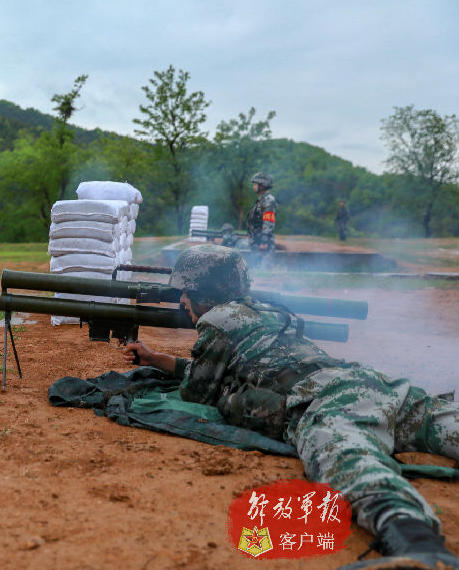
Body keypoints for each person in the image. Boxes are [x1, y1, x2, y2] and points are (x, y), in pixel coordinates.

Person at [122, 244, 459, 569]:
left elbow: (197, 391)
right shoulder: (262, 309)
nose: (182, 300)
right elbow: (210, 370)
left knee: (347, 462)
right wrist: (160, 360)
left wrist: (227, 396)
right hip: (367, 382)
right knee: (444, 423)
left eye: (185, 292)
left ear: (205, 293)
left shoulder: (218, 320)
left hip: (326, 400)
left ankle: (419, 547)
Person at [246, 172, 277, 253]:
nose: (254, 187)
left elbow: (268, 222)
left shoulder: (268, 201)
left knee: (263, 266)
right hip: (256, 241)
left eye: (255, 184)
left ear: (262, 185)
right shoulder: (261, 200)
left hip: (263, 244)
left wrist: (264, 241)